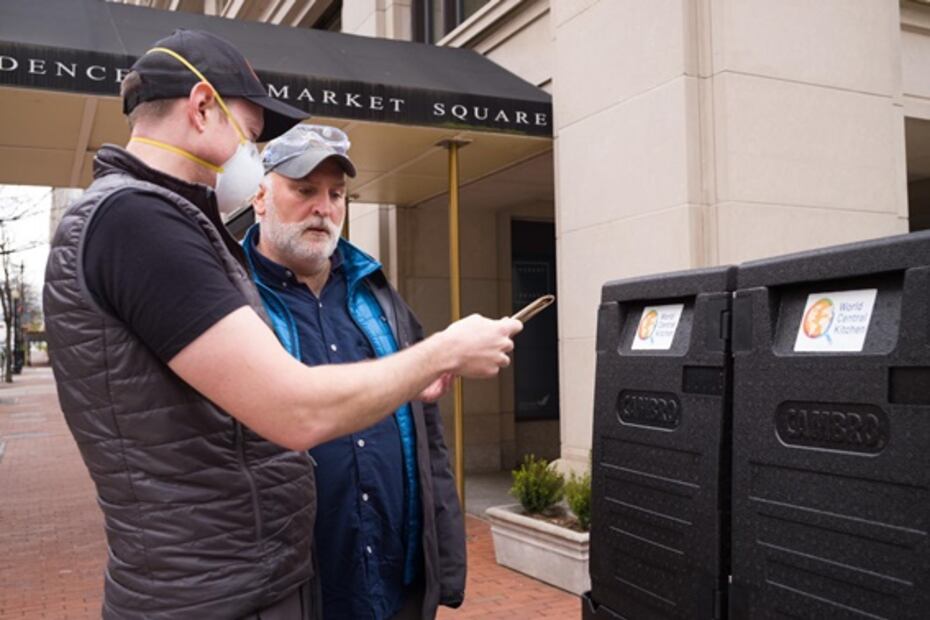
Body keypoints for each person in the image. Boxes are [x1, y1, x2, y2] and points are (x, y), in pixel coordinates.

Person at [42, 29, 521, 620]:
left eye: (337, 193)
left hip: (230, 586)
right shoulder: (139, 220)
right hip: (213, 596)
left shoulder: (151, 218)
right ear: (200, 109)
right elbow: (294, 411)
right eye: (250, 132)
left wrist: (400, 380)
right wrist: (443, 351)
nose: (254, 151)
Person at [245, 124, 462, 620]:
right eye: (304, 190)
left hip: (394, 585)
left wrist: (444, 564)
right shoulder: (234, 302)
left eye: (336, 194)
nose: (324, 207)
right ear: (260, 197)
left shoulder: (380, 297)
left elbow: (430, 441)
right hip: (295, 594)